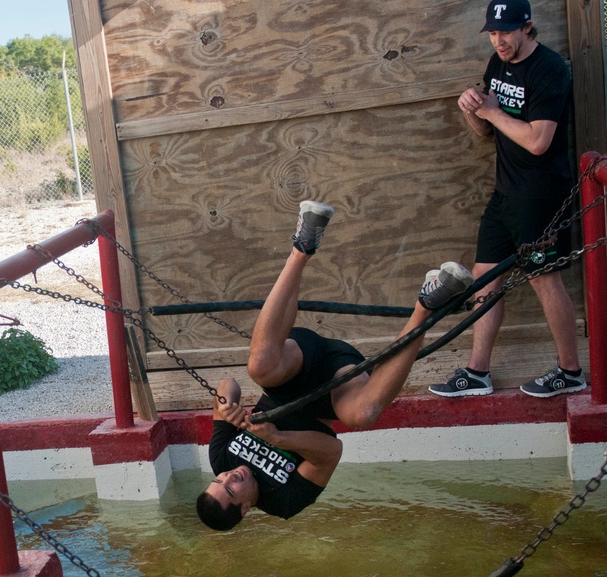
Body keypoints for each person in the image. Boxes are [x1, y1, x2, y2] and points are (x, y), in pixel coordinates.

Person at [196, 201, 473, 531]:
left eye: (220, 480)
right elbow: (331, 451)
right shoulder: (283, 501)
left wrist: (228, 406)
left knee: (258, 367)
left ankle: (303, 245)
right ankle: (427, 304)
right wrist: (277, 437)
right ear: (243, 509)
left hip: (293, 370)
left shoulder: (221, 459)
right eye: (230, 488)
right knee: (363, 414)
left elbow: (227, 384)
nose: (229, 475)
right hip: (336, 386)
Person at [429, 0, 585, 399]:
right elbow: (486, 133)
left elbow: (538, 141)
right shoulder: (497, 64)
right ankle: (478, 372)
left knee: (544, 281)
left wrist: (494, 112)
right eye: (493, 33)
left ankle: (571, 371)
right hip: (505, 192)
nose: (499, 40)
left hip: (540, 194)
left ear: (527, 27)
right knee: (485, 279)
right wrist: (472, 110)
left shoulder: (548, 69)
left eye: (506, 32)